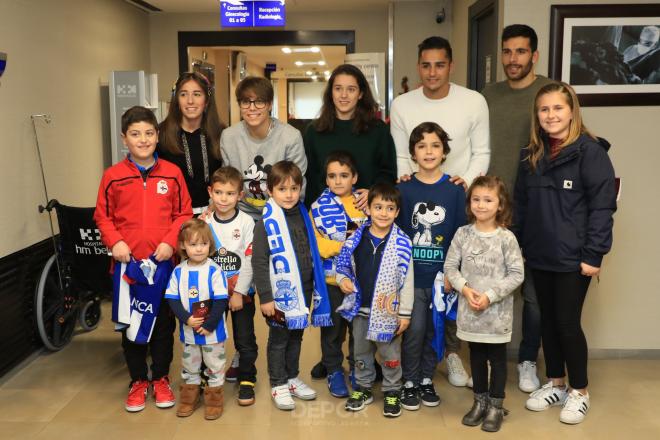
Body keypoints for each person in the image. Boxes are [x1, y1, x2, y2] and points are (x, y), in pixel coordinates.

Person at [515, 82, 616, 425]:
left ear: (572, 110)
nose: (551, 115)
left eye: (557, 108)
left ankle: (579, 391)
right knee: (546, 320)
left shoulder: (591, 153)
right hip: (538, 254)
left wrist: (594, 255)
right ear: (537, 115)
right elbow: (522, 206)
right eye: (544, 109)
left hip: (575, 258)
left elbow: (602, 208)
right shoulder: (530, 155)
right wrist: (521, 248)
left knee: (567, 323)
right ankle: (555, 382)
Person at [94, 106, 193, 412]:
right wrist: (117, 243)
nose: (143, 139)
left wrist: (169, 243)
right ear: (125, 139)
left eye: (149, 133)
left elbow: (184, 213)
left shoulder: (172, 174)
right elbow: (103, 216)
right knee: (130, 325)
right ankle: (138, 380)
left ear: (157, 135)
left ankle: (161, 378)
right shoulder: (112, 177)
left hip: (163, 266)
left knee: (163, 325)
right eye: (135, 134)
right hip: (127, 269)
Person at [481, 24, 555, 393]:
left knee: (534, 294)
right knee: (490, 285)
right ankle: (487, 360)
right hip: (490, 209)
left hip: (537, 209)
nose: (513, 59)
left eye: (521, 52)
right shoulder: (487, 95)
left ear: (534, 56)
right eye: (507, 52)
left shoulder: (549, 95)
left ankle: (527, 360)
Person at [444, 176, 524, 432]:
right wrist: (466, 290)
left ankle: (496, 406)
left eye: (488, 200)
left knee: (497, 361)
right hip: (470, 313)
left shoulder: (506, 238)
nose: (481, 205)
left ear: (500, 205)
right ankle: (479, 402)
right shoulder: (463, 234)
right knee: (476, 358)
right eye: (476, 199)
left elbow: (516, 274)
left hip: (496, 315)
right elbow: (450, 267)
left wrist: (489, 295)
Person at [251, 161, 332, 410]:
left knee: (296, 336)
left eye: (294, 188)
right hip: (279, 294)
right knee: (279, 338)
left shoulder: (303, 214)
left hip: (304, 288)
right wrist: (266, 297)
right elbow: (260, 260)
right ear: (269, 190)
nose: (289, 194)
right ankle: (278, 383)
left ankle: (291, 377)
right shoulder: (267, 222)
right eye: (282, 189)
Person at [396, 122, 466, 410]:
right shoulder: (403, 188)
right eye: (422, 145)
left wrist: (452, 274)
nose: (428, 151)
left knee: (433, 332)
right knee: (413, 331)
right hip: (411, 279)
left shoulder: (455, 190)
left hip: (440, 279)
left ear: (444, 151)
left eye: (435, 145)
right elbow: (395, 235)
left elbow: (461, 237)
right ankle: (409, 382)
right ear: (413, 152)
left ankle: (426, 379)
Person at [336, 183, 414, 418]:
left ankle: (392, 390)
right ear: (368, 209)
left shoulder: (402, 243)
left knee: (390, 354)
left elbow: (407, 281)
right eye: (378, 207)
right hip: (361, 308)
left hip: (388, 313)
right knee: (361, 352)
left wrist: (405, 313)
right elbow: (343, 266)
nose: (383, 213)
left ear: (397, 212)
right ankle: (363, 387)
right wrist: (342, 281)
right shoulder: (356, 239)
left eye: (390, 208)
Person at [390, 36, 490, 189]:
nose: (432, 73)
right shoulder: (400, 105)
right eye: (426, 66)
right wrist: (408, 185)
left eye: (440, 65)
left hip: (461, 196)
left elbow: (481, 153)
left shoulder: (475, 101)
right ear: (418, 67)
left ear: (451, 67)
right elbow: (401, 155)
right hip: (415, 196)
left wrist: (466, 182)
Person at [309, 150, 369, 398]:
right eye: (332, 176)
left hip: (359, 280)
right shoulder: (317, 207)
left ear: (354, 177)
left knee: (357, 328)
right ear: (326, 180)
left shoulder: (364, 204)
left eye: (344, 175)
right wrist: (346, 247)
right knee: (333, 330)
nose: (338, 181)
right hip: (332, 280)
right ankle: (334, 369)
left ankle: (358, 367)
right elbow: (318, 245)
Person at [304, 63, 397, 209]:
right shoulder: (314, 131)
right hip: (324, 217)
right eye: (338, 88)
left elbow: (388, 173)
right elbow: (309, 179)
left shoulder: (378, 130)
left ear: (360, 94)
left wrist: (374, 192)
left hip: (368, 215)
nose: (344, 95)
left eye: (351, 89)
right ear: (331, 93)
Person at [165, 219, 229, 420]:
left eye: (203, 244)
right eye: (193, 245)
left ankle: (214, 401)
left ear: (210, 244)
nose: (199, 249)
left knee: (214, 366)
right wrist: (186, 319)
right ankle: (188, 399)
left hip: (212, 333)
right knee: (189, 366)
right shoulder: (178, 271)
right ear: (183, 246)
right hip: (189, 332)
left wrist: (210, 324)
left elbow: (221, 300)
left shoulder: (214, 270)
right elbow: (172, 298)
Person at [205, 166, 258, 406]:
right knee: (210, 337)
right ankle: (210, 378)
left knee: (244, 338)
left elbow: (249, 259)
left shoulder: (247, 222)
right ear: (210, 192)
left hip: (241, 294)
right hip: (211, 295)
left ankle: (247, 378)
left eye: (229, 193)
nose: (223, 199)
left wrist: (239, 292)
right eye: (218, 192)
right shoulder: (203, 221)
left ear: (240, 195)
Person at [221, 76, 307, 220]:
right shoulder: (229, 136)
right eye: (246, 102)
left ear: (270, 104)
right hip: (240, 215)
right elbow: (227, 181)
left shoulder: (291, 136)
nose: (252, 108)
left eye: (259, 101)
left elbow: (298, 184)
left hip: (281, 213)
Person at [158, 71, 225, 215]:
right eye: (183, 94)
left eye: (197, 94)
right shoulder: (160, 135)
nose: (190, 101)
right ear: (176, 100)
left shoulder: (222, 134)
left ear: (206, 100)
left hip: (217, 215)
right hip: (175, 218)